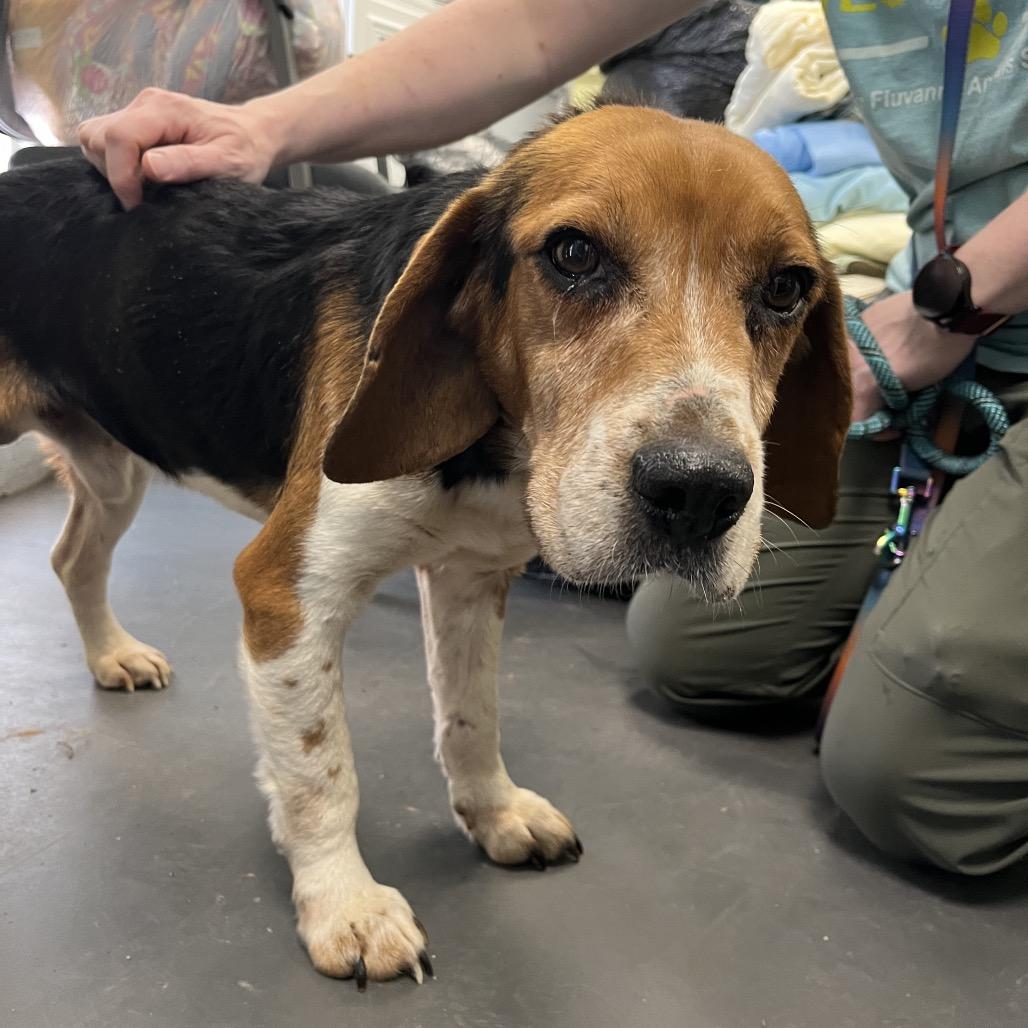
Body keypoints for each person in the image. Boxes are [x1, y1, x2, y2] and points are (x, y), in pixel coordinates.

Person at [78, 0, 1028, 877]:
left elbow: (473, 567)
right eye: (579, 256)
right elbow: (538, 23)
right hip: (933, 313)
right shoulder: (430, 352)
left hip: (952, 320)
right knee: (696, 655)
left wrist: (931, 320)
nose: (699, 452)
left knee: (901, 767)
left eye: (777, 290)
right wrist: (267, 126)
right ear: (466, 302)